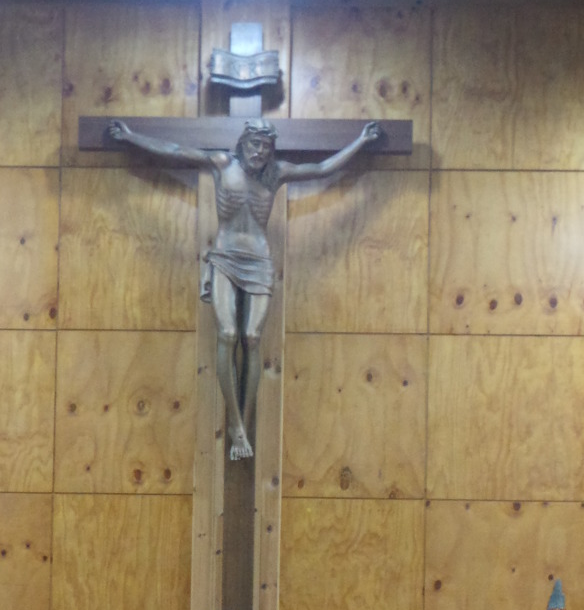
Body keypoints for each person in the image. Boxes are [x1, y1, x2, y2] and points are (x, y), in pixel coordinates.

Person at [107, 116, 381, 459]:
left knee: (252, 337)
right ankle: (236, 426)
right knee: (227, 333)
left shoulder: (276, 174)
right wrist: (131, 137)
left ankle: (243, 426)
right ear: (242, 143)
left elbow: (322, 168)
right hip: (224, 257)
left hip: (259, 260)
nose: (260, 151)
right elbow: (175, 150)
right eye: (254, 144)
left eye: (266, 146)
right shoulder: (223, 164)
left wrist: (360, 142)